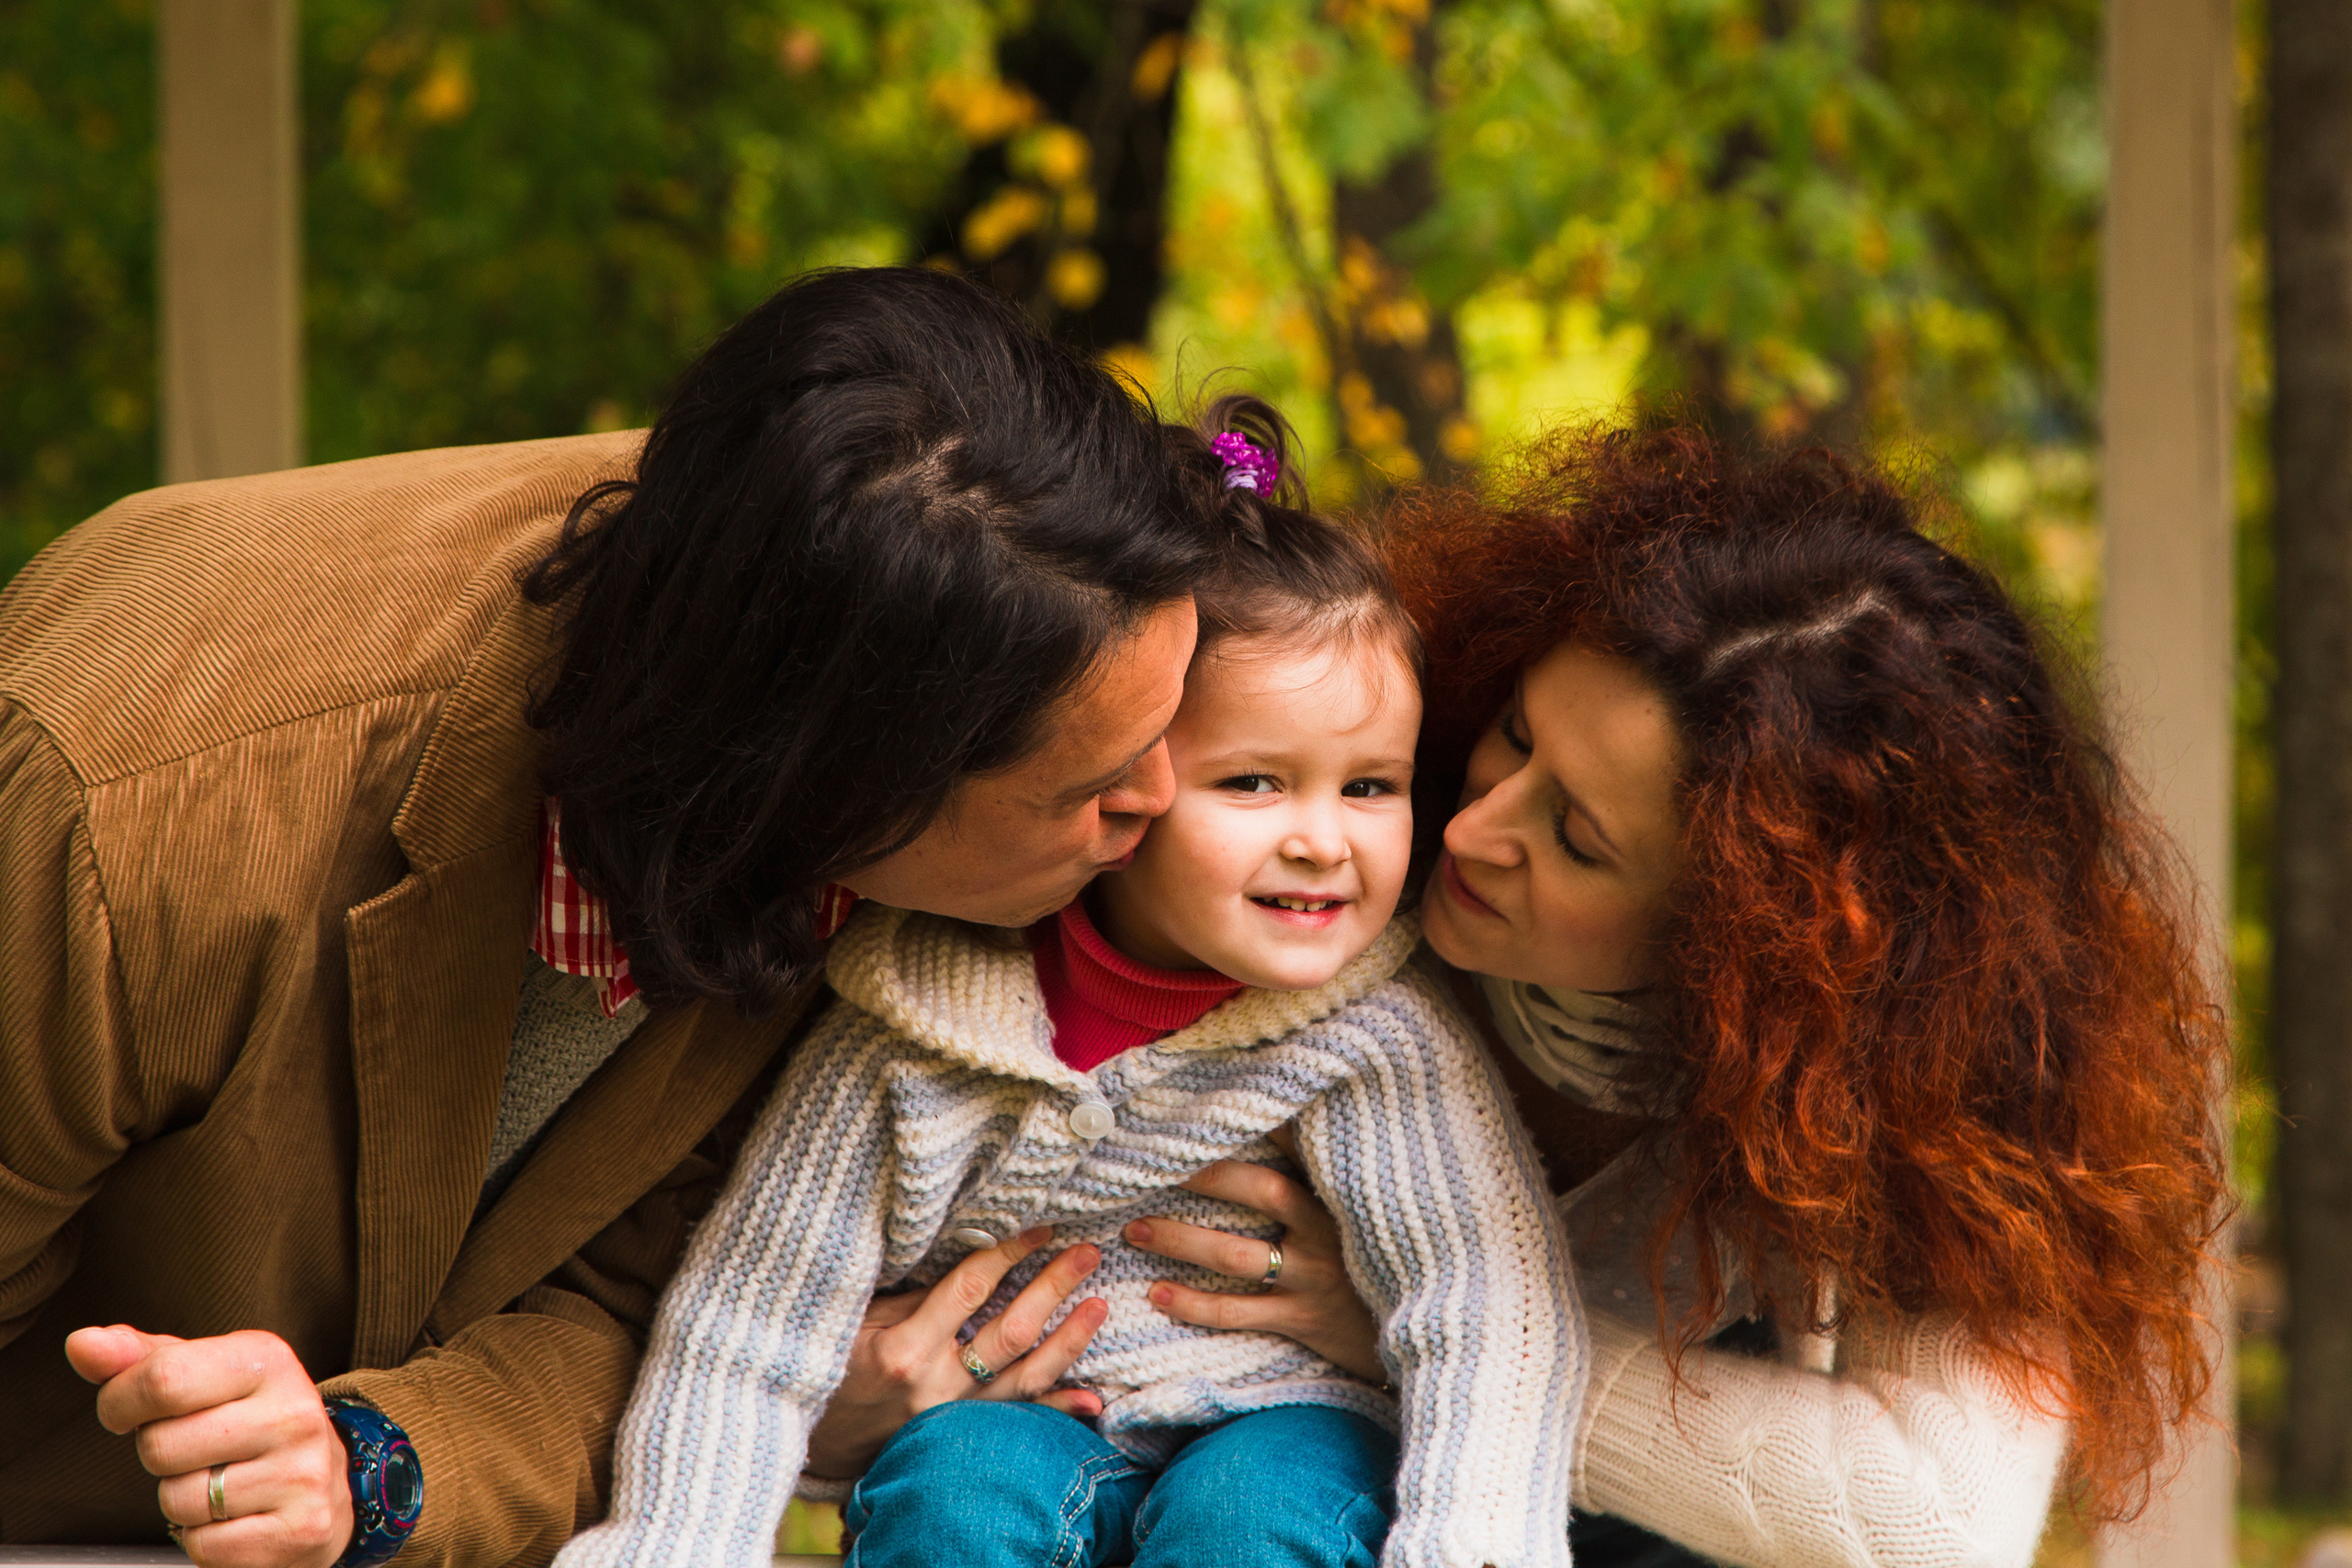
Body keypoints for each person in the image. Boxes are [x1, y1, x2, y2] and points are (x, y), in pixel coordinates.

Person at [813, 424, 2229, 1568]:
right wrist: (847, 1399)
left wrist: (1433, 1334)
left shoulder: (1927, 1096)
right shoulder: (1318, 856)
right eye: (1514, 735)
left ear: (1748, 943)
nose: (1475, 827)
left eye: (1582, 840)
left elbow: (1930, 1520)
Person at [0, 266, 1226, 1567]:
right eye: (1094, 787)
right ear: (835, 787)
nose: (1166, 798)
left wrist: (376, 1463)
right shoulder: (133, 798)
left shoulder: (902, 630)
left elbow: (638, 1313)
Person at [557, 404, 1582, 1568]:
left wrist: (1475, 1540)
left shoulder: (1375, 1039)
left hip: (1288, 1418)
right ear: (1130, 781)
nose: (1322, 841)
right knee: (954, 1491)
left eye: (1370, 788)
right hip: (1020, 1416)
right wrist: (669, 1539)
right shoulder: (921, 1023)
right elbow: (754, 1316)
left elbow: (1483, 1303)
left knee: (1250, 1523)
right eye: (1252, 783)